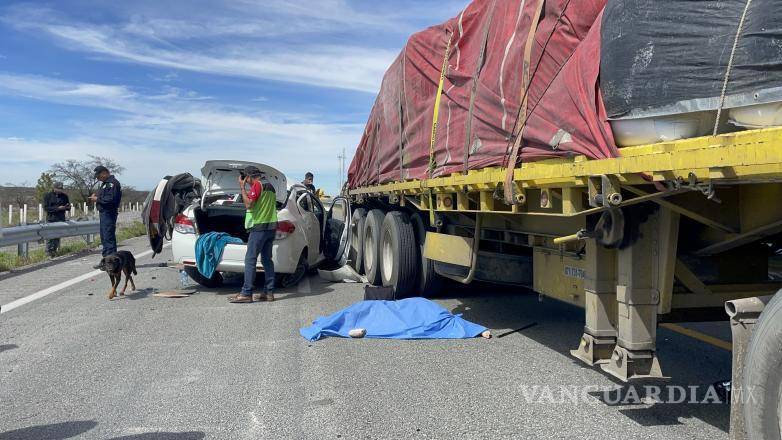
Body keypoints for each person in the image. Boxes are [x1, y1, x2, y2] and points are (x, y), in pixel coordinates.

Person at [230, 165, 278, 303]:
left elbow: (249, 205)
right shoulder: (271, 186)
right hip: (271, 227)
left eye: (246, 178)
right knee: (267, 260)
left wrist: (242, 188)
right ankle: (269, 292)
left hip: (259, 228)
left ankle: (246, 292)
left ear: (249, 177)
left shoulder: (257, 185)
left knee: (250, 259)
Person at [90, 166, 122, 268]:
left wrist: (97, 199)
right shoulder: (105, 184)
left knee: (108, 237)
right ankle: (105, 261)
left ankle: (112, 263)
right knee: (104, 237)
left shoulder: (112, 183)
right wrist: (97, 196)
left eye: (99, 176)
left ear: (104, 173)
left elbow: (110, 199)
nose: (98, 179)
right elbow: (104, 196)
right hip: (104, 213)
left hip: (109, 213)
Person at [43, 181, 71, 257]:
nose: (60, 190)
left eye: (61, 189)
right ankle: (48, 252)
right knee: (50, 237)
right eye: (58, 188)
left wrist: (67, 207)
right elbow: (46, 208)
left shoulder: (64, 196)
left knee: (57, 236)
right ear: (54, 188)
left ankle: (54, 251)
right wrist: (57, 208)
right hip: (51, 219)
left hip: (61, 219)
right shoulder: (48, 196)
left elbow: (68, 207)